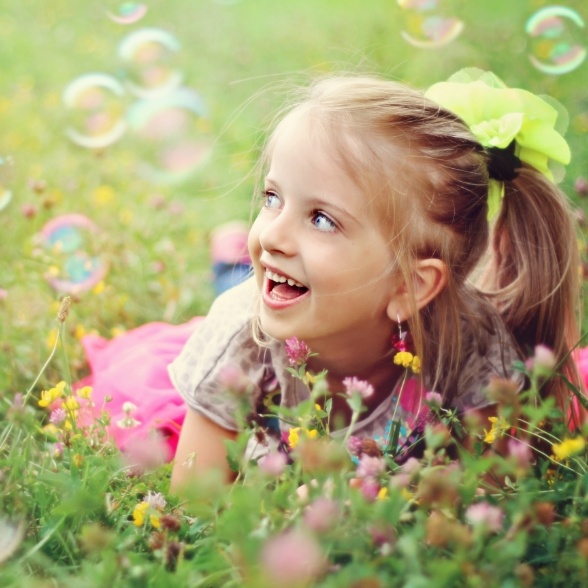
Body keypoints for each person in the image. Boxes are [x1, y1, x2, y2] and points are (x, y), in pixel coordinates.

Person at [79, 70, 584, 492]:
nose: (273, 233)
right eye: (273, 197)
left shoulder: (472, 352)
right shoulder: (237, 341)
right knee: (240, 292)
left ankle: (230, 262)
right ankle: (228, 266)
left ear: (410, 287)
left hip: (299, 295)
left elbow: (483, 506)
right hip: (267, 307)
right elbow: (194, 506)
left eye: (322, 219)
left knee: (269, 275)